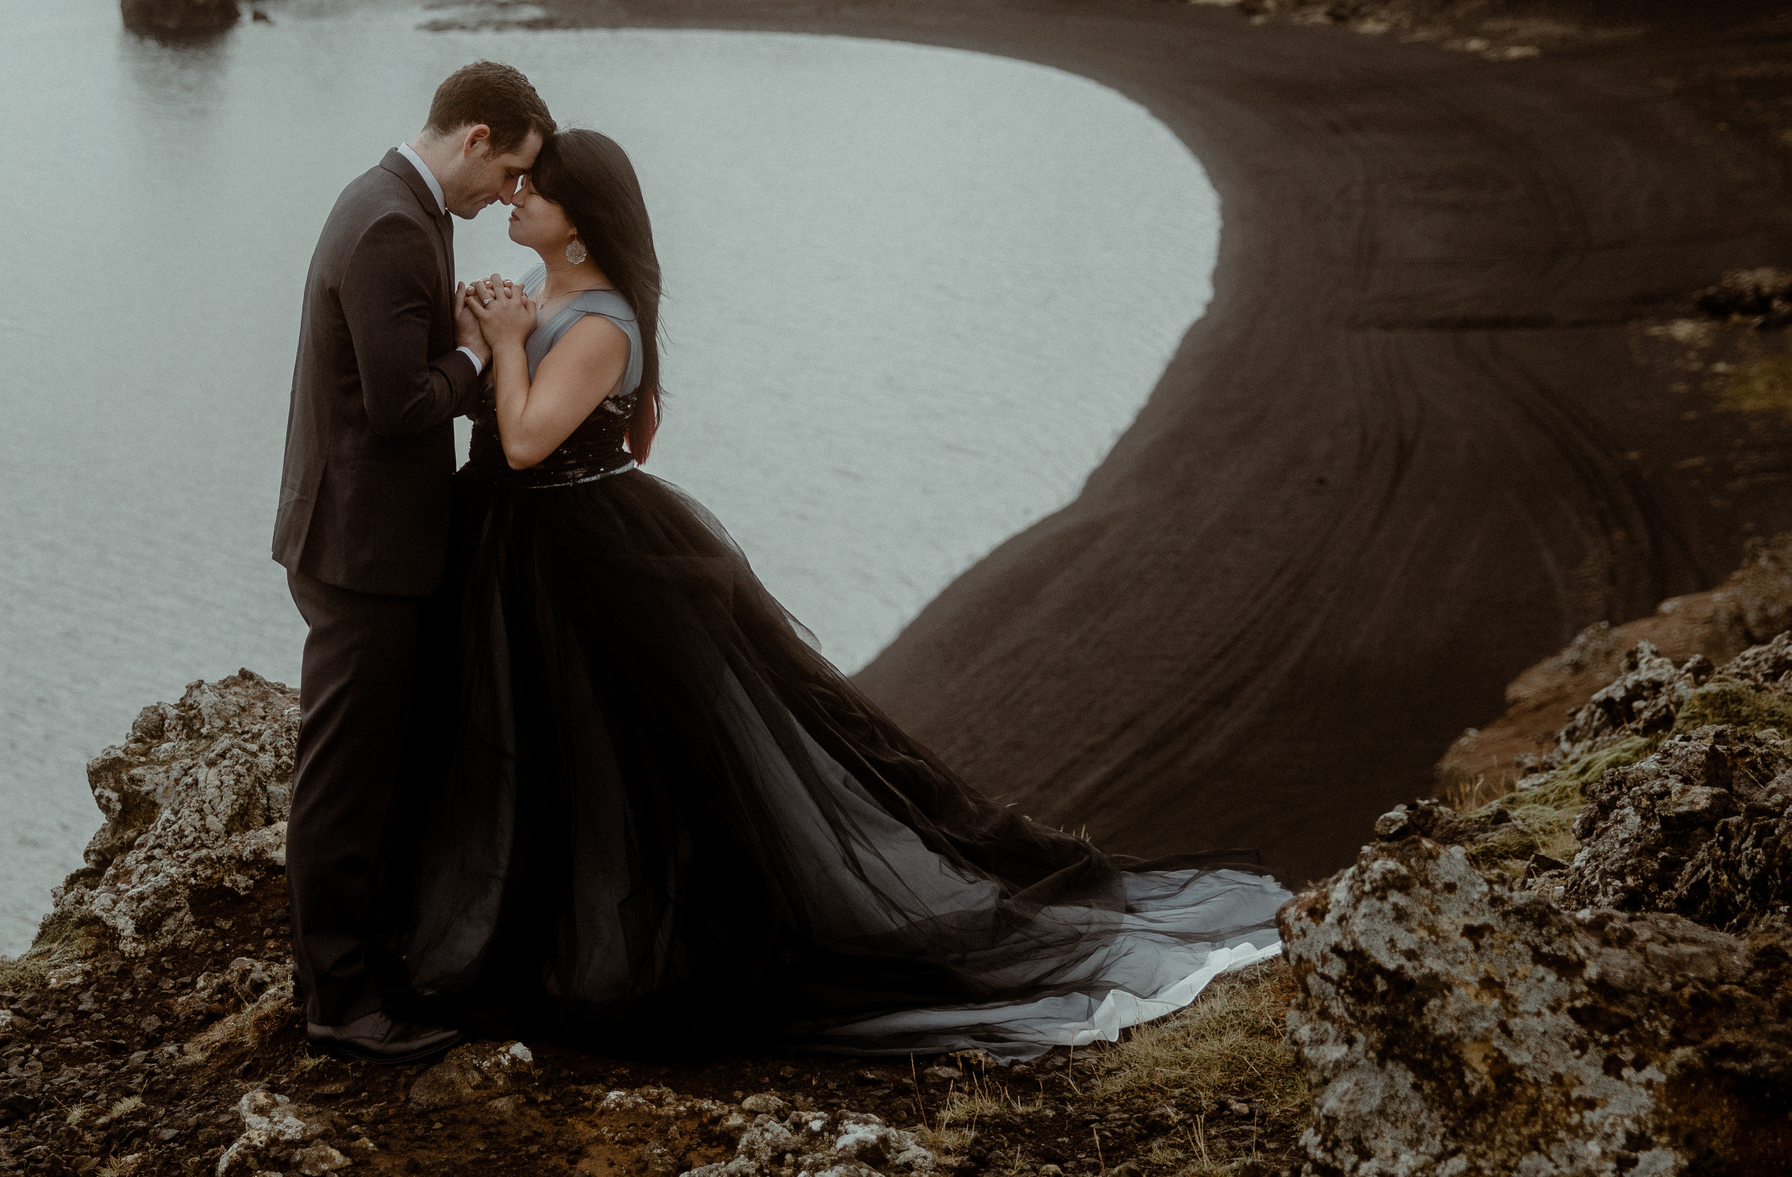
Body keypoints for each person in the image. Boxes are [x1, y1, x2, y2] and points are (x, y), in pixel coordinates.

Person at [403, 128, 1289, 1058]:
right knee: (552, 758)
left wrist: (500, 342)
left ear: (580, 223)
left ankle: (619, 951)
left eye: (533, 189)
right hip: (527, 552)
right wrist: (484, 335)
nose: (514, 197)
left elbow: (531, 440)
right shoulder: (551, 296)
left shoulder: (599, 321)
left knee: (624, 766)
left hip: (584, 561)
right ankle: (529, 926)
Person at [273, 59, 553, 1065]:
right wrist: (481, 352)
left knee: (364, 767)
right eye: (510, 171)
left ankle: (347, 968)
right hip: (361, 549)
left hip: (360, 536)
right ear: (475, 138)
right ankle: (339, 1004)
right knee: (342, 779)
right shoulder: (394, 222)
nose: (509, 196)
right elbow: (397, 410)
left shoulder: (394, 203)